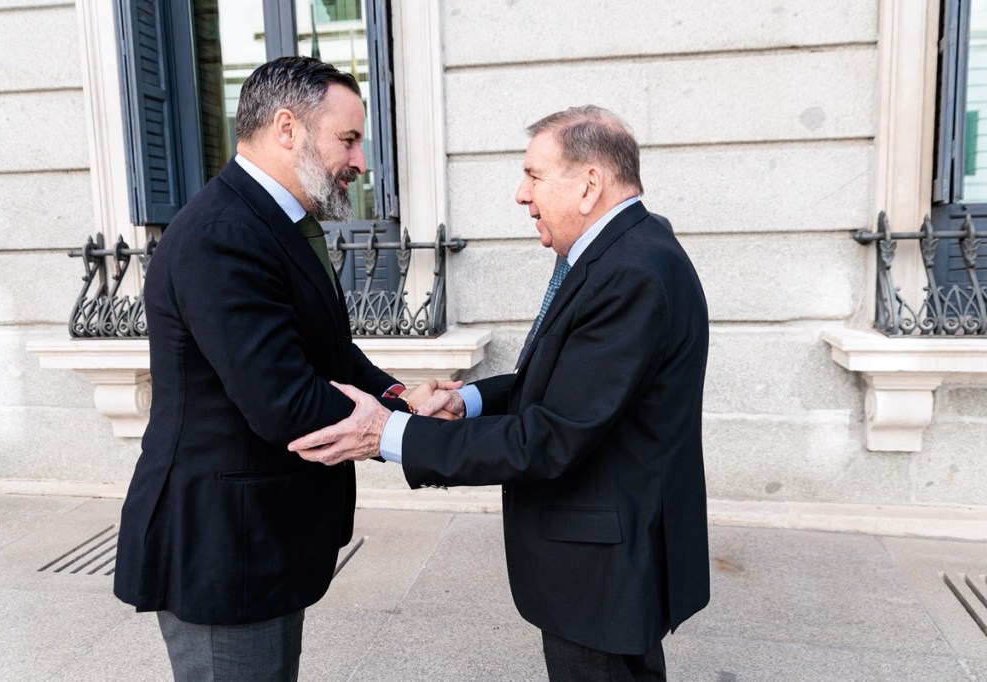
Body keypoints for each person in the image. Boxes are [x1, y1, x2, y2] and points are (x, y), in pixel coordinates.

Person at [289, 105, 711, 681]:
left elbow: (551, 437)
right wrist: (470, 401)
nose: (520, 194)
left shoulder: (629, 272)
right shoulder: (630, 249)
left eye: (534, 176)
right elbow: (573, 382)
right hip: (607, 561)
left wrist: (387, 433)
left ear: (589, 185)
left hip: (605, 572)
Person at [113, 56, 451, 681]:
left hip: (263, 540)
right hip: (224, 550)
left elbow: (330, 354)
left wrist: (402, 395)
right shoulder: (221, 234)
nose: (360, 161)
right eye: (348, 139)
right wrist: (406, 432)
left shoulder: (273, 223)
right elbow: (285, 401)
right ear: (288, 129)